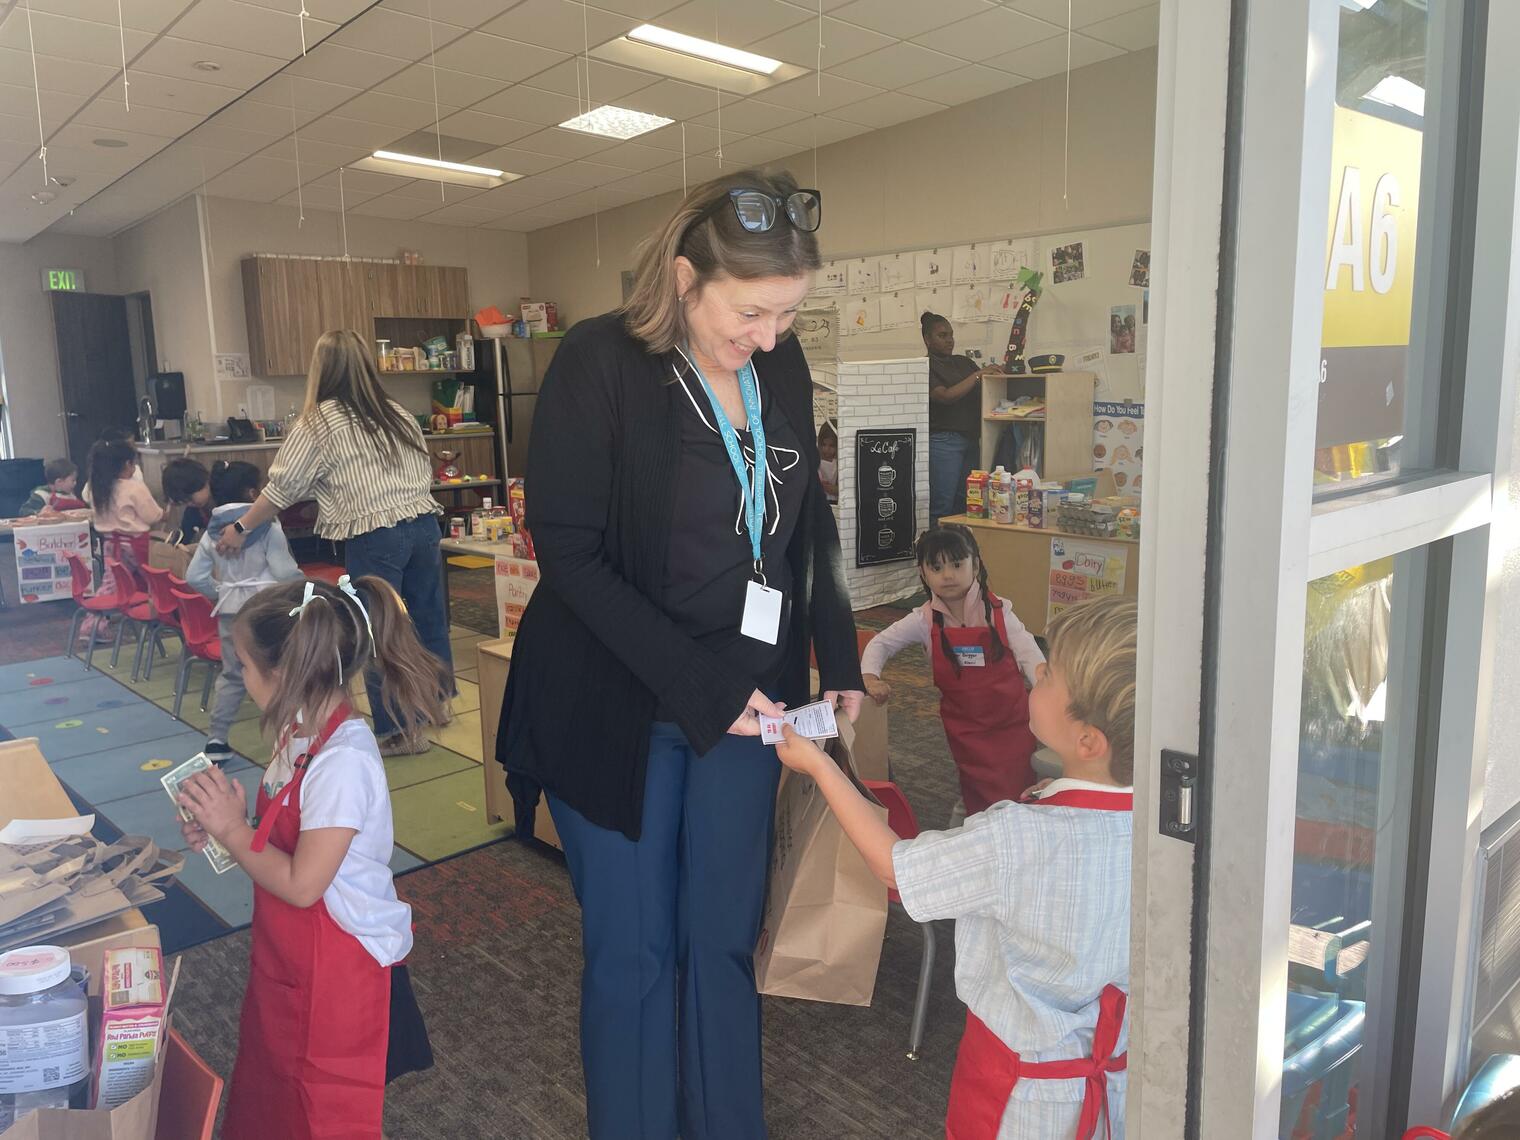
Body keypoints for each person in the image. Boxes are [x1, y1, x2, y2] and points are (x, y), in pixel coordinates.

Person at [498, 169, 864, 1140]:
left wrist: (839, 655)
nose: (770, 338)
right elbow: (568, 552)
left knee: (720, 944)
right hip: (616, 703)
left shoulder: (777, 365)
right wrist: (701, 685)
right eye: (751, 313)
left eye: (787, 314)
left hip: (747, 704)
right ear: (684, 279)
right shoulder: (600, 362)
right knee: (636, 955)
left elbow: (805, 518)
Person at [776, 594, 1137, 1139]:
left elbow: (896, 867)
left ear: (1087, 740)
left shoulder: (1015, 836)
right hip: (1113, 1087)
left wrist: (821, 766)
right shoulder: (1163, 835)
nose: (1036, 671)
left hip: (1014, 1093)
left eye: (1050, 675)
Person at [173, 575, 443, 1140]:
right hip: (290, 962)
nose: (238, 677)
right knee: (273, 1092)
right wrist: (226, 829)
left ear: (285, 674)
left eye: (244, 667)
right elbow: (282, 844)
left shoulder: (344, 762)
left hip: (338, 966)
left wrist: (233, 830)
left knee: (323, 1109)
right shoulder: (300, 732)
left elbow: (302, 884)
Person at [215, 330, 451, 757]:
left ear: (320, 369)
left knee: (377, 631)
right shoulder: (396, 412)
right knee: (427, 620)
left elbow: (282, 488)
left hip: (376, 533)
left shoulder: (319, 423)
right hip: (423, 526)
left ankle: (400, 731)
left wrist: (241, 528)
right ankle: (437, 706)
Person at [861, 524, 1044, 817]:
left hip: (1012, 724)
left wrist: (1045, 689)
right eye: (936, 567)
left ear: (976, 565)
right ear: (923, 574)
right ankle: (968, 826)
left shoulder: (999, 613)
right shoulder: (923, 620)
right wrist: (870, 676)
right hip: (965, 730)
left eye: (957, 564)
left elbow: (1031, 656)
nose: (948, 575)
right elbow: (880, 644)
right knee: (975, 788)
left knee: (1018, 788)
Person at [186, 461, 303, 765]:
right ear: (253, 492)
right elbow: (284, 572)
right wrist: (305, 586)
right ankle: (290, 739)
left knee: (232, 674)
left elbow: (194, 577)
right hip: (268, 609)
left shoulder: (212, 532)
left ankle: (217, 740)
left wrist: (222, 591)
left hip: (231, 611)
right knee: (281, 672)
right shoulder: (269, 527)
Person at [925, 311, 1001, 527]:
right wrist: (978, 375)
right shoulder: (925, 366)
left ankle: (960, 545)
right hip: (944, 442)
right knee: (942, 504)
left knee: (967, 502)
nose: (949, 340)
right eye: (942, 335)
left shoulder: (963, 362)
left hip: (971, 440)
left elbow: (987, 383)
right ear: (927, 340)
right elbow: (945, 396)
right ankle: (935, 545)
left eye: (951, 335)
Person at [161, 456, 213, 543]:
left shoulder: (227, 496)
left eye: (190, 498)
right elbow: (184, 538)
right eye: (185, 502)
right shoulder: (193, 511)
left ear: (204, 482)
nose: (190, 504)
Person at [20, 458, 86, 515]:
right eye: (73, 480)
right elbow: (24, 511)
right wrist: (39, 512)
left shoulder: (70, 495)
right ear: (59, 482)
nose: (75, 483)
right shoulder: (42, 494)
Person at [817, 420, 839, 502]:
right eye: (824, 444)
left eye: (832, 446)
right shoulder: (815, 461)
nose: (827, 449)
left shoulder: (840, 463)